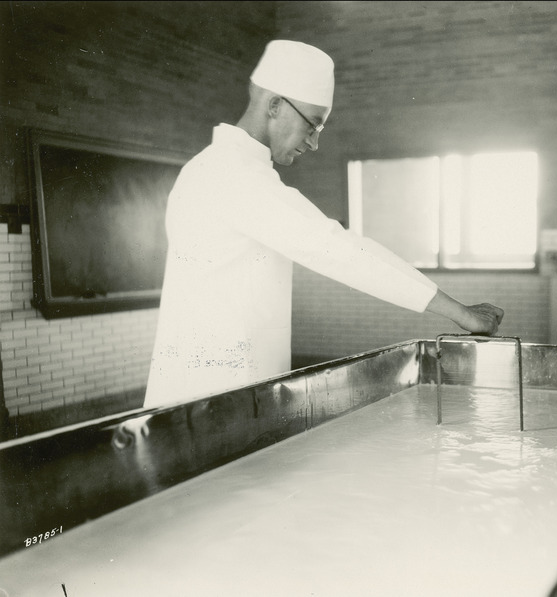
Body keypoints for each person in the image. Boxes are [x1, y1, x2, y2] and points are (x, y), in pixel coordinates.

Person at [143, 40, 504, 409]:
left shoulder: (214, 168)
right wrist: (460, 313)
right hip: (208, 399)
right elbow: (341, 251)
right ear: (274, 105)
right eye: (312, 125)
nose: (314, 143)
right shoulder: (234, 177)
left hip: (219, 394)